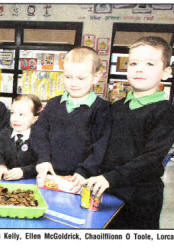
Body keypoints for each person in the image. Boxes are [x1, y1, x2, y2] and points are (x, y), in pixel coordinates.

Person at [85, 36, 174, 229]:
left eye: (150, 63)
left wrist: (109, 178)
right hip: (107, 193)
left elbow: (151, 159)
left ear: (166, 72)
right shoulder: (116, 107)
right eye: (133, 63)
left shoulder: (166, 112)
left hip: (140, 200)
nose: (139, 68)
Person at [31, 47, 111, 193]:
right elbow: (39, 132)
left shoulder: (102, 109)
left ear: (96, 77)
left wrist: (83, 172)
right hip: (50, 176)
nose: (73, 83)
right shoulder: (53, 104)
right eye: (68, 77)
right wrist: (43, 159)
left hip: (81, 181)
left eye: (81, 78)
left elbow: (101, 146)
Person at [0, 94, 41, 180]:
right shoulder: (5, 133)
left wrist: (23, 172)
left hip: (29, 183)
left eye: (21, 114)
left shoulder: (38, 138)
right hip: (4, 181)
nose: (15, 118)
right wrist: (1, 166)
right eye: (12, 113)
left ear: (34, 119)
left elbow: (41, 163)